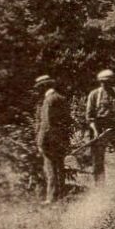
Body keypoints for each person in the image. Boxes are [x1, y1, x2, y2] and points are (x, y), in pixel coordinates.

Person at [34, 74, 70, 203]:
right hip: (60, 139)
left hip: (49, 140)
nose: (38, 90)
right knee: (59, 168)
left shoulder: (48, 100)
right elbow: (67, 121)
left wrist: (41, 142)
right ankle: (61, 196)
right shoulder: (61, 98)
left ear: (44, 86)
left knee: (50, 169)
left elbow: (46, 124)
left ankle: (51, 198)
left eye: (39, 87)